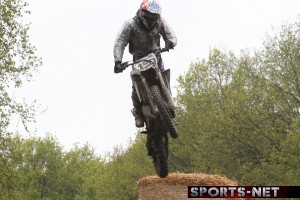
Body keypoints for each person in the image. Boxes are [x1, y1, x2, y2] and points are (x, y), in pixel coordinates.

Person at [113, 0, 177, 128]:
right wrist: (118, 61)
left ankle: (170, 104)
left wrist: (170, 42)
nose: (151, 20)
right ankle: (138, 113)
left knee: (164, 76)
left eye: (154, 17)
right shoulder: (130, 24)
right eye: (149, 16)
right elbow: (120, 42)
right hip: (138, 59)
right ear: (142, 12)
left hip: (155, 56)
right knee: (136, 83)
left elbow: (171, 35)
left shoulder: (161, 22)